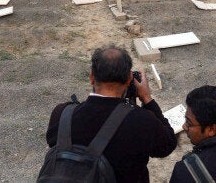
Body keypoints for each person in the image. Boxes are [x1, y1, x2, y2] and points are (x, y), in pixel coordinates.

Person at [44, 46, 177, 183]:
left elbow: (54, 142)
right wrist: (147, 98)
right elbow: (167, 146)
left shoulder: (62, 114)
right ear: (129, 79)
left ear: (91, 77)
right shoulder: (142, 122)